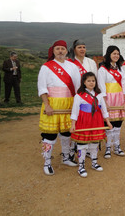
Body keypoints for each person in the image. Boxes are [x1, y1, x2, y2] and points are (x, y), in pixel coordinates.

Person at [38, 40, 81, 176]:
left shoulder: (72, 66)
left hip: (69, 103)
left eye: (63, 48)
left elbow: (78, 85)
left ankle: (66, 157)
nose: (60, 51)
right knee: (49, 135)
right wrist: (47, 105)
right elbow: (42, 88)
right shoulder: (46, 67)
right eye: (58, 49)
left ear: (67, 51)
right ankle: (47, 162)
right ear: (53, 51)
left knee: (67, 133)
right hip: (52, 104)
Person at [70, 72, 112, 177]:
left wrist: (108, 121)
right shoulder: (78, 96)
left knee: (94, 143)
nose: (91, 83)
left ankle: (94, 162)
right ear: (84, 82)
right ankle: (81, 166)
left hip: (96, 122)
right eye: (88, 81)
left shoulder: (99, 95)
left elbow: (104, 110)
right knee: (82, 144)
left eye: (93, 80)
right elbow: (75, 111)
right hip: (84, 122)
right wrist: (73, 124)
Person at [68, 39, 99, 158]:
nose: (82, 49)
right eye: (79, 47)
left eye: (84, 47)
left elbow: (94, 78)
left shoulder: (91, 62)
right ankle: (73, 149)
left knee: (88, 122)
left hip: (90, 95)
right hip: (76, 95)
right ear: (74, 49)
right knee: (77, 122)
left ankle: (88, 148)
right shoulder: (70, 63)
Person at [98, 46, 125, 158]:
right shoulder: (102, 69)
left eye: (117, 53)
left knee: (118, 124)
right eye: (114, 53)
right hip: (109, 99)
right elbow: (101, 87)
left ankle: (117, 146)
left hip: (120, 98)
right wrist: (105, 102)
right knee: (109, 124)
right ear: (109, 55)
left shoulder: (121, 69)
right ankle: (108, 148)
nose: (116, 56)